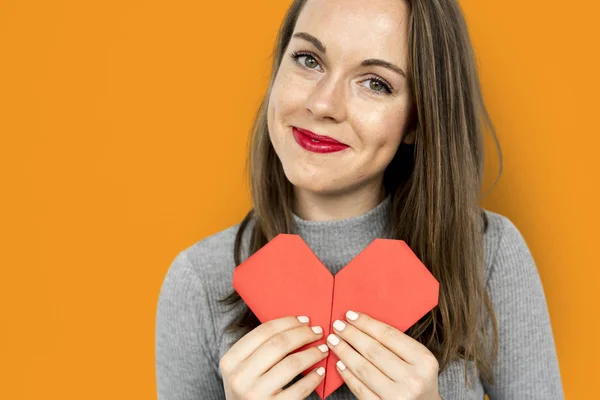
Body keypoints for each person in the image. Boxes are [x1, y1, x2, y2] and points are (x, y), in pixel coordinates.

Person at [155, 0, 564, 398]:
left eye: (375, 83)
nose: (322, 104)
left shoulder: (489, 253)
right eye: (308, 59)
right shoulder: (199, 280)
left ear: (417, 121)